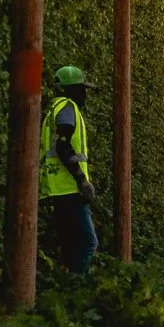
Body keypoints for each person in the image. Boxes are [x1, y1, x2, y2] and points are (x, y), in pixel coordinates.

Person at [41, 65, 99, 272]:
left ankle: (67, 287)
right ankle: (78, 289)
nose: (84, 95)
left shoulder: (51, 109)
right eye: (81, 89)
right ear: (70, 90)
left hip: (55, 188)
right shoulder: (67, 108)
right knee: (88, 243)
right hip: (69, 189)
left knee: (69, 247)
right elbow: (63, 145)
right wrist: (82, 180)